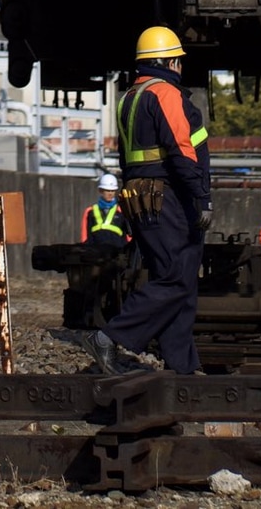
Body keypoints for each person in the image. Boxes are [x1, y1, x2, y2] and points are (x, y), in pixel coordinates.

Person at [89, 26, 210, 377]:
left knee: (179, 280)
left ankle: (183, 368)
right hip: (170, 197)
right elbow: (182, 151)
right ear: (167, 62)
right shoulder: (165, 94)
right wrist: (202, 197)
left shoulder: (131, 96)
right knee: (175, 278)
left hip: (143, 200)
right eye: (178, 61)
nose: (180, 68)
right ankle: (109, 338)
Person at [81, 172, 130, 250]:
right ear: (101, 190)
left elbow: (128, 236)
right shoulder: (90, 211)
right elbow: (85, 236)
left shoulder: (122, 211)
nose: (110, 193)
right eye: (107, 190)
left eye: (112, 191)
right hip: (95, 253)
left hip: (116, 253)